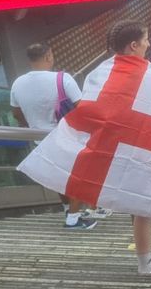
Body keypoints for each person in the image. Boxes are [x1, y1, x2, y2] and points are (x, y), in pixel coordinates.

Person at [10, 42, 110, 228]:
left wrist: (31, 124)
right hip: (66, 137)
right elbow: (82, 108)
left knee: (57, 177)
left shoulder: (18, 83)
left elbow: (16, 113)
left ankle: (68, 209)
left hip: (39, 138)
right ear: (49, 56)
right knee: (80, 176)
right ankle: (73, 218)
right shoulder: (63, 79)